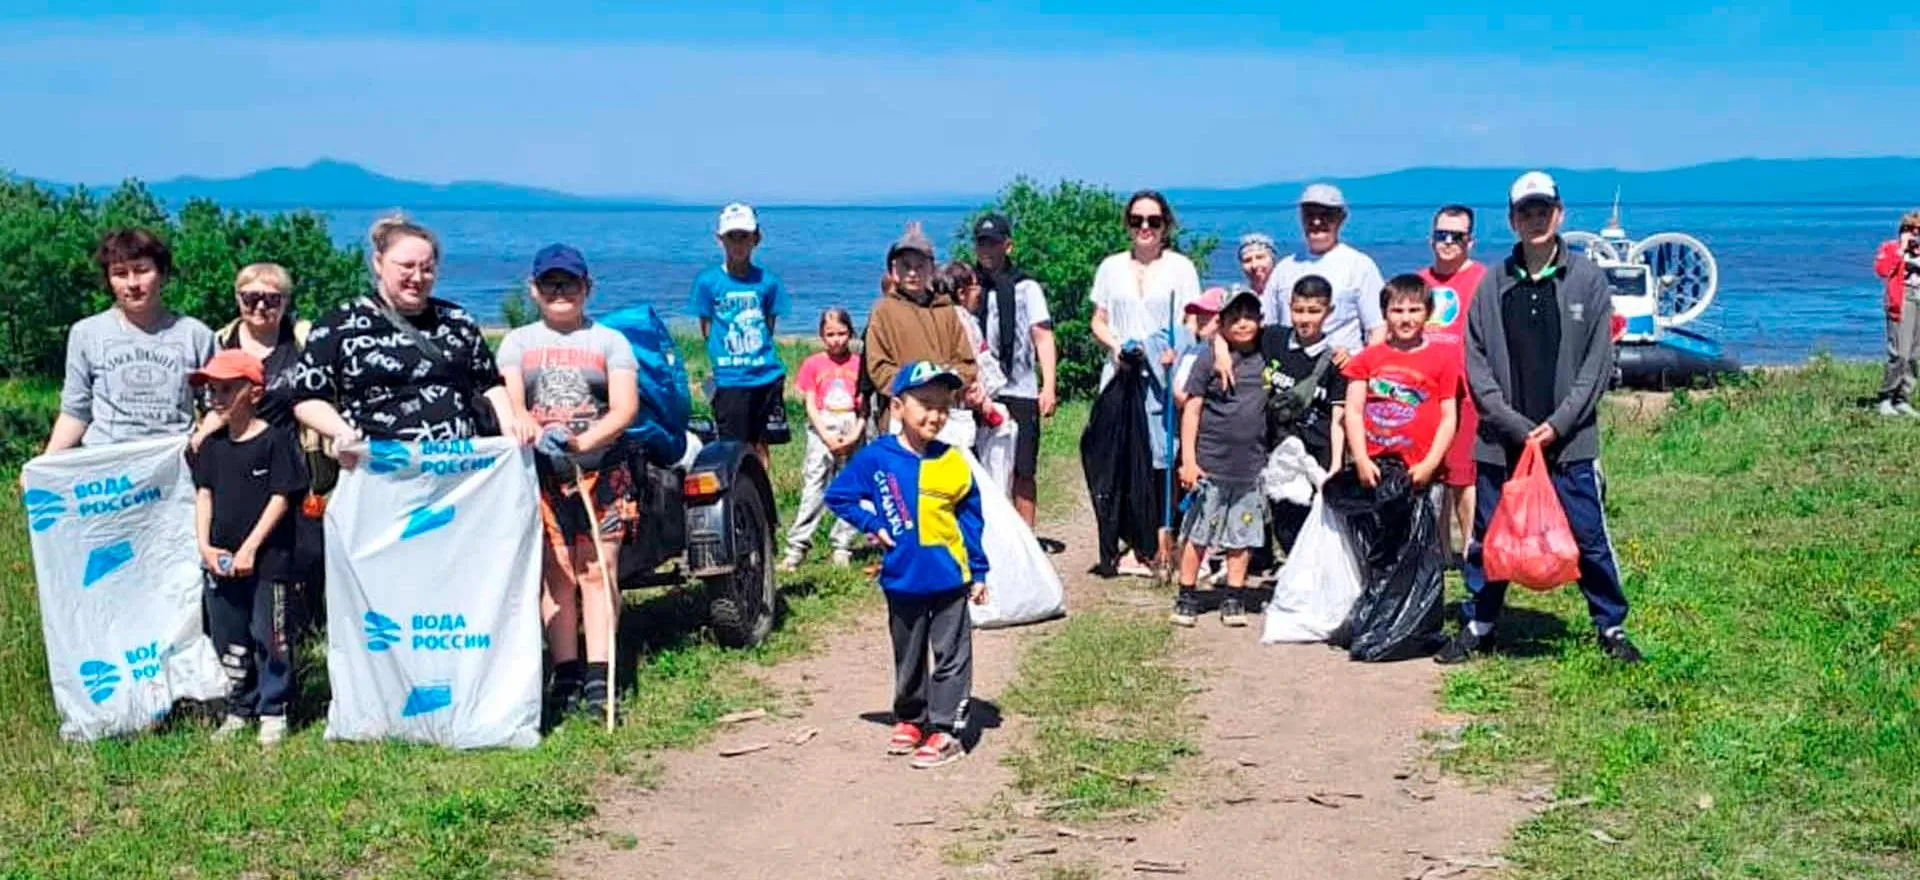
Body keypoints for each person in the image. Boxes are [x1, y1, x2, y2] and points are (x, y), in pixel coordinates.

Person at [1440, 171, 1641, 665]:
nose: (1535, 218)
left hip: (1569, 441)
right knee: (1487, 536)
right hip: (1502, 439)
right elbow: (1476, 359)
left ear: (1560, 214)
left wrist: (1560, 422)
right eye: (1525, 211)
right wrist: (1509, 420)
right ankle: (1480, 623)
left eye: (1543, 209)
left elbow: (1598, 361)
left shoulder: (1587, 281)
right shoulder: (1493, 284)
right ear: (1512, 220)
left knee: (1589, 535)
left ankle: (1610, 626)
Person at [498, 244, 640, 720]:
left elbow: (624, 408)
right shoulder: (517, 343)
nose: (561, 292)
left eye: (570, 283)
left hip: (602, 469)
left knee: (598, 569)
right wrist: (538, 436)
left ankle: (602, 674)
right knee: (556, 571)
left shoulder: (609, 342)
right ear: (535, 289)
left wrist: (581, 444)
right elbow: (513, 403)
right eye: (551, 284)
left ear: (587, 288)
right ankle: (566, 671)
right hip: (542, 473)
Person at [824, 361, 989, 770]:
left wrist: (979, 572)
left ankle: (946, 728)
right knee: (908, 652)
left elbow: (971, 521)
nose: (935, 414)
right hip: (901, 576)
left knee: (951, 654)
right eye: (925, 404)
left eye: (943, 406)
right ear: (897, 407)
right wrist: (873, 524)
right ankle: (911, 718)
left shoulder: (954, 461)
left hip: (950, 576)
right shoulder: (877, 458)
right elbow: (839, 495)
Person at [294, 214, 534, 456]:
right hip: (380, 466)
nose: (417, 278)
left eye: (427, 269)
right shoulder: (338, 324)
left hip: (460, 467)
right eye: (407, 266)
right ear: (378, 262)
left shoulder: (457, 320)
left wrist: (509, 430)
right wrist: (341, 432)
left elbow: (489, 384)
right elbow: (307, 398)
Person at [190, 350, 308, 747]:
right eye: (211, 391)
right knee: (228, 635)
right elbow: (204, 495)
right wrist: (205, 545)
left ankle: (274, 708)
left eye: (226, 389)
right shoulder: (212, 445)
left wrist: (251, 548)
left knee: (269, 634)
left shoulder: (275, 441)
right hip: (220, 560)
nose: (216, 398)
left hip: (269, 560)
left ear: (254, 393)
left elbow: (281, 498)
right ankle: (240, 705)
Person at [1089, 191, 1202, 575]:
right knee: (1118, 456)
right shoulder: (1110, 267)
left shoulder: (1181, 268)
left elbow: (1191, 321)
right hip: (1121, 373)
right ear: (1128, 223)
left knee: (1161, 457)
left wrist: (1176, 351)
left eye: (1153, 221)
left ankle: (1162, 539)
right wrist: (1117, 346)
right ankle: (1128, 540)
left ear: (1165, 225)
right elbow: (1099, 320)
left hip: (1162, 375)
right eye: (1137, 220)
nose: (1145, 228)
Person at [48, 228, 215, 452]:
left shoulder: (197, 335)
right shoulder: (86, 333)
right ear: (109, 280)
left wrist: (198, 442)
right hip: (107, 466)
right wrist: (45, 463)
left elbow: (218, 406)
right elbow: (75, 412)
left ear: (163, 274)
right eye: (120, 274)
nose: (132, 283)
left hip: (174, 464)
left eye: (142, 270)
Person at [1173, 289, 1271, 628]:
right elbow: (1192, 409)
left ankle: (1234, 595)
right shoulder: (1206, 360)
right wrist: (1188, 459)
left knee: (1241, 537)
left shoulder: (1265, 356)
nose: (1242, 324)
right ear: (1222, 323)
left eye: (1249, 317)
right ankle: (1187, 593)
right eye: (1233, 318)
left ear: (1260, 320)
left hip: (1250, 467)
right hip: (1210, 463)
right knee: (1199, 532)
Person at [972, 213, 1057, 527]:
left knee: (1023, 469)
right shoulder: (969, 286)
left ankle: (1026, 538)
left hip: (1019, 388)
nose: (987, 250)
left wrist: (1048, 386)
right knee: (979, 465)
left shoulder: (1027, 287)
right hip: (979, 391)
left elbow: (1043, 335)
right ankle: (986, 536)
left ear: (1007, 245)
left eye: (993, 243)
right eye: (981, 243)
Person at [691, 203, 790, 467]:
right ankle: (736, 497)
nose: (738, 244)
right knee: (732, 446)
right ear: (719, 239)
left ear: (756, 238)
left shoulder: (768, 282)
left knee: (760, 443)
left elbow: (768, 325)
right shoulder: (707, 282)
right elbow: (707, 327)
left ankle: (761, 495)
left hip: (764, 375)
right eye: (731, 237)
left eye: (744, 236)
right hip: (730, 378)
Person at [1256, 275, 1349, 553]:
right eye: (1298, 310)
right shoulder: (1272, 338)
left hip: (1314, 451)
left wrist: (1335, 465)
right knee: (1279, 518)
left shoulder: (1336, 361)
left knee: (1311, 523)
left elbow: (1339, 418)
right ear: (1289, 306)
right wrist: (1222, 352)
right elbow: (1228, 331)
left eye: (1314, 311)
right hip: (1274, 447)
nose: (1304, 319)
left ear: (1329, 312)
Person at [1341, 275, 1459, 493]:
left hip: (1422, 469)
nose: (1406, 319)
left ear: (1429, 312)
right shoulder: (1366, 359)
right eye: (1397, 311)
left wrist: (1430, 464)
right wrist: (1361, 460)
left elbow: (1448, 417)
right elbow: (1354, 412)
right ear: (1384, 313)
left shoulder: (1444, 359)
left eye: (1414, 310)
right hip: (1375, 467)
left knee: (1423, 525)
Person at [1417, 206, 1489, 551]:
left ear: (1470, 242)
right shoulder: (1420, 283)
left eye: (1456, 236)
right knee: (1431, 475)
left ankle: (1474, 550)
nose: (1447, 242)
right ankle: (1440, 552)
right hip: (1424, 394)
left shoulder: (1484, 280)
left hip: (1466, 394)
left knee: (1463, 476)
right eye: (1441, 235)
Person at [862, 222, 978, 427]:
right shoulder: (883, 311)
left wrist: (947, 388)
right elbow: (878, 367)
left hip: (945, 413)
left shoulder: (946, 311)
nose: (913, 273)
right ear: (894, 271)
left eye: (919, 266)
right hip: (902, 415)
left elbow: (966, 362)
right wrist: (915, 392)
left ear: (931, 269)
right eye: (906, 266)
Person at [782, 307, 865, 571]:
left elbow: (864, 407)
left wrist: (854, 434)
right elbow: (810, 404)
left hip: (851, 423)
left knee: (852, 486)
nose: (836, 340)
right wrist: (825, 434)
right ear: (821, 335)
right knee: (814, 486)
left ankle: (843, 544)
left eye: (841, 333)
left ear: (850, 333)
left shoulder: (859, 363)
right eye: (830, 334)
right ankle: (797, 547)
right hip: (822, 426)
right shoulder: (813, 364)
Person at [1263, 184, 1385, 356]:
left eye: (1326, 215)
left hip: (1341, 373)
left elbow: (1377, 330)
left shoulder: (1360, 266)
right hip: (1288, 374)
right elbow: (1266, 325)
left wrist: (1362, 372)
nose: (1316, 222)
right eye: (1309, 214)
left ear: (1341, 219)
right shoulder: (1284, 268)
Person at [1873, 211, 1920, 417]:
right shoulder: (1890, 247)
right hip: (1902, 299)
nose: (1914, 234)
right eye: (1910, 229)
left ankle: (1902, 398)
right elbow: (1882, 270)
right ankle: (1886, 397)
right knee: (1899, 353)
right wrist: (1901, 249)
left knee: (1913, 355)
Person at [1173, 288, 1225, 410]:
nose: (1201, 318)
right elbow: (1181, 398)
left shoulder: (1226, 354)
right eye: (1199, 312)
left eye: (1208, 313)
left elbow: (1180, 397)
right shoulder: (1192, 353)